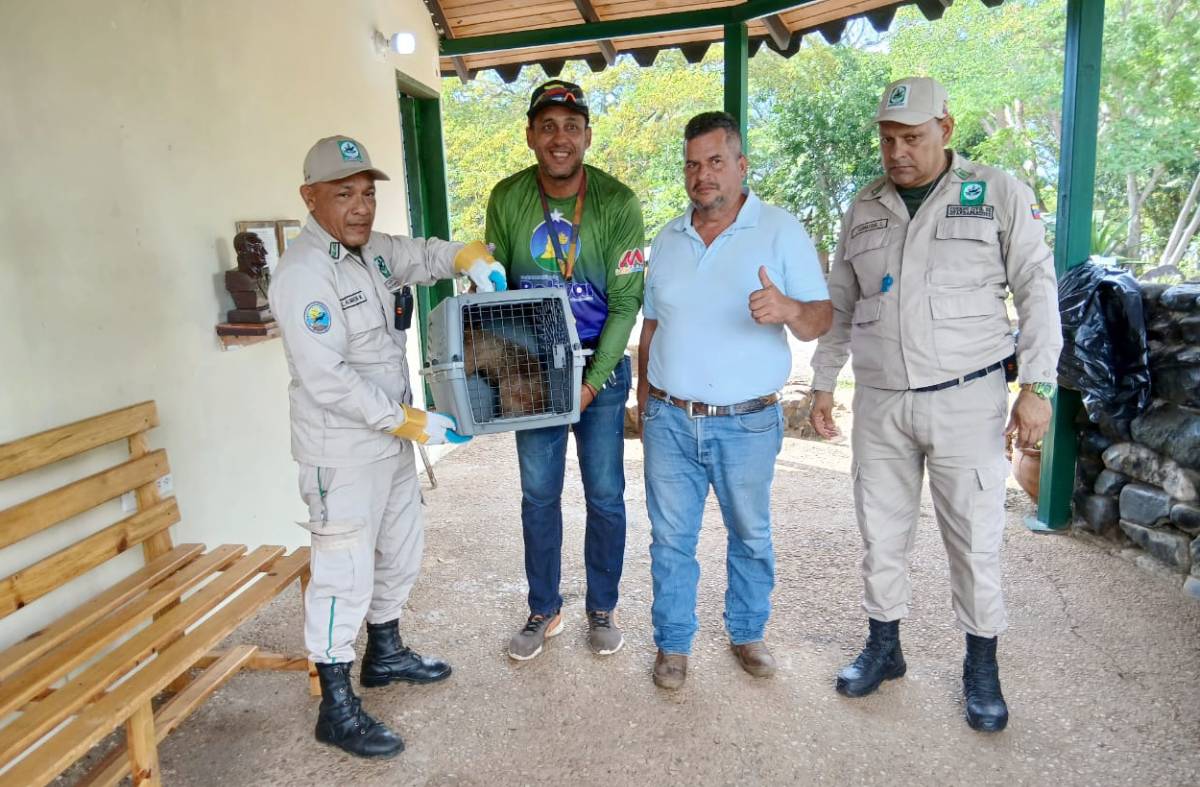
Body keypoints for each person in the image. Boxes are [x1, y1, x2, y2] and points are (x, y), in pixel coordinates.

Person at [808, 77, 1062, 732]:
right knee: (880, 531)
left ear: (946, 128)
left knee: (975, 538)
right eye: (888, 139)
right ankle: (884, 646)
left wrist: (1036, 385)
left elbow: (1036, 286)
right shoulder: (864, 204)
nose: (897, 152)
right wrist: (820, 381)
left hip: (966, 397)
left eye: (912, 138)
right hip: (882, 400)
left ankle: (982, 665)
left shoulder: (996, 191)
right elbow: (841, 300)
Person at [270, 134, 505, 758]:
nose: (360, 207)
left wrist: (469, 258)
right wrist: (409, 421)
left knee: (400, 550)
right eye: (344, 194)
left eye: (368, 194)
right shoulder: (302, 275)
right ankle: (336, 705)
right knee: (342, 571)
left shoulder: (374, 253)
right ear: (310, 198)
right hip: (341, 450)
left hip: (392, 443)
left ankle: (386, 652)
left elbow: (425, 255)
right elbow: (327, 378)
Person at [637, 111, 832, 690]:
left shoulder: (780, 229)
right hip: (670, 417)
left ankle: (747, 633)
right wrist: (647, 405)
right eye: (693, 165)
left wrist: (790, 311)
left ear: (741, 165)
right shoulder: (667, 239)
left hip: (746, 423)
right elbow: (651, 328)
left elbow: (821, 318)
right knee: (671, 539)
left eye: (716, 161)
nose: (704, 175)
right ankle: (672, 646)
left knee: (750, 534)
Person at [484, 80, 646, 660]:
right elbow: (494, 292)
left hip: (598, 366)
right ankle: (543, 609)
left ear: (587, 136)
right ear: (530, 135)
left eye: (571, 127)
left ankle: (602, 606)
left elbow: (628, 302)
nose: (560, 138)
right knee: (538, 495)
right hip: (532, 370)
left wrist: (591, 382)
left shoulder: (618, 203)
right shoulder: (506, 198)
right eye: (548, 126)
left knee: (605, 494)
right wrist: (506, 373)